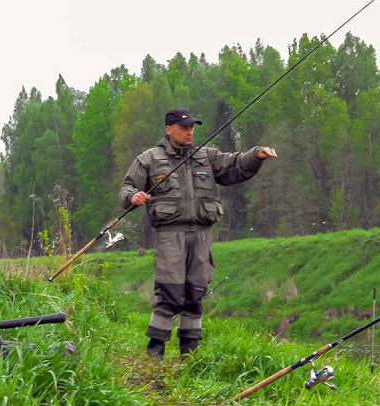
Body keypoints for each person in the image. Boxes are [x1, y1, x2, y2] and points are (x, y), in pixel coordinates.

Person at [119, 108, 278, 361]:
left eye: (192, 127)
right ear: (169, 129)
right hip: (170, 234)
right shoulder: (149, 159)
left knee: (196, 292)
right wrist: (132, 196)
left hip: (202, 234)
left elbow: (235, 165)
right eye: (184, 127)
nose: (190, 131)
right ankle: (154, 356)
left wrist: (255, 156)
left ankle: (190, 358)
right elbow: (127, 187)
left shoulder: (207, 157)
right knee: (170, 293)